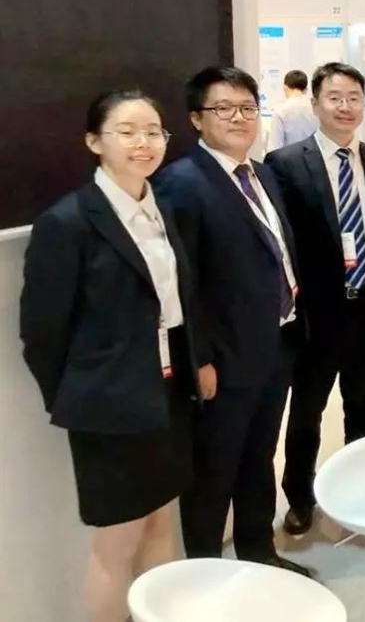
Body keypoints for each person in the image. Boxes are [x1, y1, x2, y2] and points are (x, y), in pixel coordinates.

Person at [20, 91, 204, 622]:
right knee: (116, 543)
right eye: (127, 131)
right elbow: (42, 334)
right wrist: (84, 399)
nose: (143, 143)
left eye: (153, 131)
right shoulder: (68, 222)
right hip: (110, 407)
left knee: (162, 524)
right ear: (94, 141)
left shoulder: (162, 208)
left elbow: (177, 304)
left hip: (168, 392)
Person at [153, 66, 308, 575]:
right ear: (197, 119)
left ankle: (258, 552)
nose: (239, 118)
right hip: (222, 359)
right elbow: (182, 284)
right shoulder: (181, 183)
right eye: (223, 108)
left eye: (247, 107)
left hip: (274, 344)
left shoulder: (261, 174)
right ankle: (202, 575)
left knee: (259, 457)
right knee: (213, 470)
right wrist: (199, 360)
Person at [265, 62, 365, 536]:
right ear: (316, 103)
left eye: (354, 98)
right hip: (315, 315)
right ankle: (300, 497)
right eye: (335, 98)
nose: (345, 107)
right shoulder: (285, 164)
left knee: (363, 409)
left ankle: (360, 492)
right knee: (307, 412)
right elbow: (283, 243)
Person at [267, 70, 319, 152]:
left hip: (288, 158)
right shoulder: (316, 109)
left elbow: (274, 148)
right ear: (305, 90)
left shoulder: (280, 111)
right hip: (313, 156)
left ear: (285, 87)